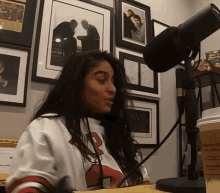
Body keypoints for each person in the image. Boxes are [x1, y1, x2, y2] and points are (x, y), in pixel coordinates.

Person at [5, 51, 151, 193]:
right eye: (101, 80)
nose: (113, 89)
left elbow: (144, 183)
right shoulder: (46, 128)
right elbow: (26, 186)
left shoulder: (117, 134)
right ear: (76, 83)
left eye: (113, 82)